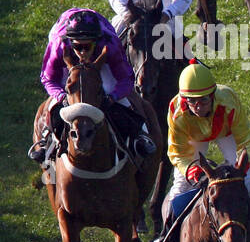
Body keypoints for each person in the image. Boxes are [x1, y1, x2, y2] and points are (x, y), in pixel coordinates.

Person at [152, 63, 250, 242]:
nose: (198, 107)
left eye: (202, 101)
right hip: (193, 139)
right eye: (192, 102)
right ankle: (166, 238)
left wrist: (241, 164)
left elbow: (245, 139)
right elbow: (177, 152)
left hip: (225, 133)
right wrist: (193, 171)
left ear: (213, 96)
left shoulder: (229, 100)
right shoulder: (176, 111)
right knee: (180, 187)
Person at [30, 9, 156, 163]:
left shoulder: (109, 45)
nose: (82, 52)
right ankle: (45, 140)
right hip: (66, 48)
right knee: (62, 96)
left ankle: (140, 135)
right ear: (71, 43)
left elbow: (126, 80)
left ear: (96, 42)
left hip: (101, 57)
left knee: (113, 91)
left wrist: (112, 97)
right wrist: (61, 96)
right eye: (78, 47)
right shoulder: (59, 46)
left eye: (87, 47)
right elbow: (48, 79)